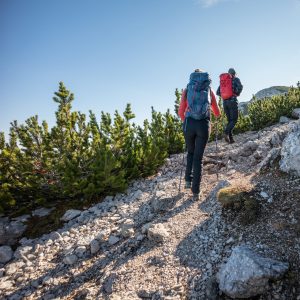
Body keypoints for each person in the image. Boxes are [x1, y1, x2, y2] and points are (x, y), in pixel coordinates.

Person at [178, 69, 221, 200]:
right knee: (198, 157)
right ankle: (196, 192)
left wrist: (187, 119)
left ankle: (187, 180)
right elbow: (217, 112)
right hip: (203, 124)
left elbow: (181, 111)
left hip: (189, 124)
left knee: (190, 153)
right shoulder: (209, 89)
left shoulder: (187, 89)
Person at [217, 68, 243, 143]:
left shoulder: (223, 81)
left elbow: (218, 92)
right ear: (234, 73)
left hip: (225, 102)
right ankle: (226, 132)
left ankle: (231, 139)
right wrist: (235, 93)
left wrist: (225, 96)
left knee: (229, 121)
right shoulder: (235, 79)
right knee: (234, 120)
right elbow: (240, 87)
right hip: (232, 101)